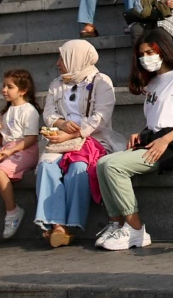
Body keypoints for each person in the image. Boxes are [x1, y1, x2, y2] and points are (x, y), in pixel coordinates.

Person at [95, 29, 173, 251]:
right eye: (142, 54)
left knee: (114, 167)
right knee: (101, 163)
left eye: (150, 52)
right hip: (152, 142)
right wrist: (140, 131)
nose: (146, 58)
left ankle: (135, 230)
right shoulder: (152, 83)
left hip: (171, 146)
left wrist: (165, 140)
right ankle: (116, 224)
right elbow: (159, 118)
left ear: (162, 50)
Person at [35, 40, 126, 248]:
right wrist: (61, 124)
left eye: (62, 58)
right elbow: (48, 113)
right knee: (46, 166)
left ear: (75, 58)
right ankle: (56, 225)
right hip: (61, 138)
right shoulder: (57, 84)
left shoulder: (101, 81)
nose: (58, 63)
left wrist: (72, 134)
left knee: (79, 168)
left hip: (92, 138)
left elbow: (100, 117)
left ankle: (70, 225)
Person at [0, 69, 40, 241]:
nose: (4, 90)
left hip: (25, 151)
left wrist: (10, 151)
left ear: (22, 90)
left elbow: (31, 139)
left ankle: (12, 211)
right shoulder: (5, 113)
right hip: (7, 151)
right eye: (4, 86)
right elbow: (2, 142)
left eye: (10, 87)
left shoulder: (29, 111)